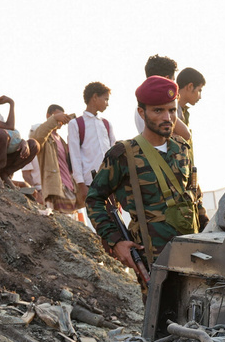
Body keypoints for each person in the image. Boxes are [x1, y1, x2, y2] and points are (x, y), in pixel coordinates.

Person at [86, 76, 206, 290]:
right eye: (158, 111)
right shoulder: (123, 154)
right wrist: (116, 241)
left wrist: (208, 235)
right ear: (142, 113)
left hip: (193, 254)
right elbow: (94, 199)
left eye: (171, 110)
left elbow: (194, 196)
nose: (167, 117)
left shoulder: (181, 148)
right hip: (154, 261)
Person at [67, 82, 116, 207]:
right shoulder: (76, 124)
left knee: (115, 216)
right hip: (90, 182)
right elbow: (75, 156)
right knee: (98, 218)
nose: (107, 104)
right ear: (94, 97)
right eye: (105, 99)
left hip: (110, 180)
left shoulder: (106, 124)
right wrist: (81, 184)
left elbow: (114, 152)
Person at [28, 105, 77, 213]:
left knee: (71, 224)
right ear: (48, 115)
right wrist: (54, 119)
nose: (61, 119)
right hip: (55, 188)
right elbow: (36, 139)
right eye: (58, 115)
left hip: (69, 188)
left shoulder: (61, 140)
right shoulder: (45, 136)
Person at [134, 55, 191, 142]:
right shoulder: (158, 104)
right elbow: (186, 134)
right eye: (173, 80)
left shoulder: (143, 104)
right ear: (167, 79)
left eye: (171, 111)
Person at [0, 95, 41, 186]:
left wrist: (23, 142)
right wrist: (11, 103)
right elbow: (8, 127)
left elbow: (12, 131)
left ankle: (5, 173)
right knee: (1, 134)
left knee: (33, 145)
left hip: (4, 155)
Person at [176, 67, 205, 131]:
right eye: (199, 90)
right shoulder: (171, 111)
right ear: (190, 87)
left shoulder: (184, 112)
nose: (200, 97)